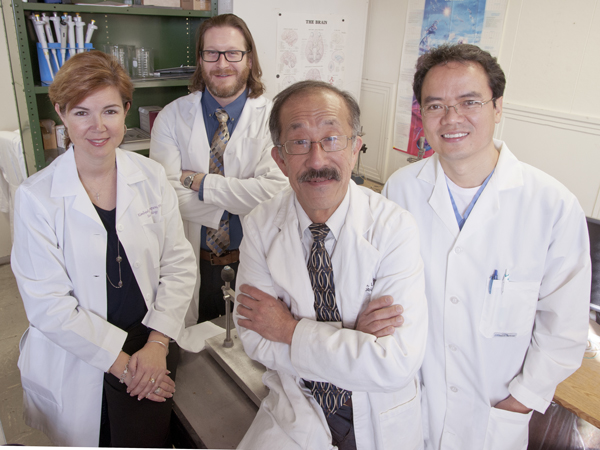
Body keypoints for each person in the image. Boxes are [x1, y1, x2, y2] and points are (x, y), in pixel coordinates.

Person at [382, 43, 592, 450]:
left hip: (494, 416)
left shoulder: (551, 204)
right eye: (435, 105)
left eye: (469, 101)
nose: (452, 118)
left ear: (498, 108)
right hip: (410, 404)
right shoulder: (400, 190)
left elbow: (563, 329)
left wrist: (521, 401)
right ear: (421, 114)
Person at [11, 51, 196, 447]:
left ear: (126, 111)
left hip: (150, 339)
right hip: (80, 354)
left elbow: (178, 263)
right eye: (81, 112)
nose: (98, 127)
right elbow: (48, 305)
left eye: (110, 111)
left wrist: (156, 345)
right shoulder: (36, 197)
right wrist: (128, 367)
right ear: (60, 113)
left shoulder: (149, 175)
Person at [233, 80, 428, 450]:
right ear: (279, 159)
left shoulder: (393, 227)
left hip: (383, 420)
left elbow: (395, 362)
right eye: (300, 142)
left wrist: (289, 330)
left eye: (332, 139)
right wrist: (355, 335)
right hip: (297, 413)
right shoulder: (260, 225)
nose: (318, 160)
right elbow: (256, 339)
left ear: (355, 148)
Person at [150, 14, 288, 325]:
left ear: (249, 59)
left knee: (252, 352)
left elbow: (275, 193)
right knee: (190, 354)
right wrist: (238, 201)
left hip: (254, 261)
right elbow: (166, 196)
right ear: (200, 60)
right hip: (190, 262)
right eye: (211, 53)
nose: (222, 63)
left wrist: (198, 182)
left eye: (233, 53)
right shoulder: (171, 118)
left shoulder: (274, 119)